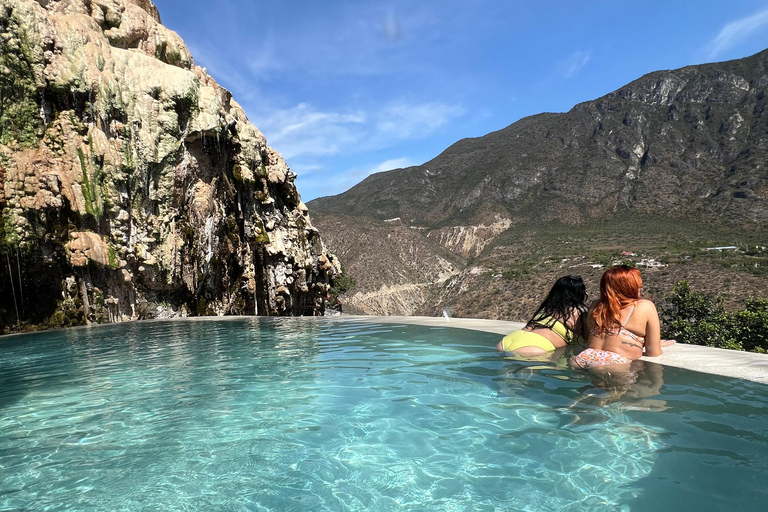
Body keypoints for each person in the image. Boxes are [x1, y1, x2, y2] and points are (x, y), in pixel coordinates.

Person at [571, 265, 672, 373]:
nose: (640, 287)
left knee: (596, 382)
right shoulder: (645, 306)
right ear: (628, 287)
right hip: (615, 363)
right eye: (637, 284)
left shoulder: (596, 305)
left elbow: (604, 337)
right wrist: (655, 344)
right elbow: (653, 353)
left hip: (583, 358)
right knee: (640, 381)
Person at [496, 275, 589, 359]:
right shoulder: (579, 313)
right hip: (534, 348)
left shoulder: (547, 308)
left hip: (507, 341)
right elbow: (590, 339)